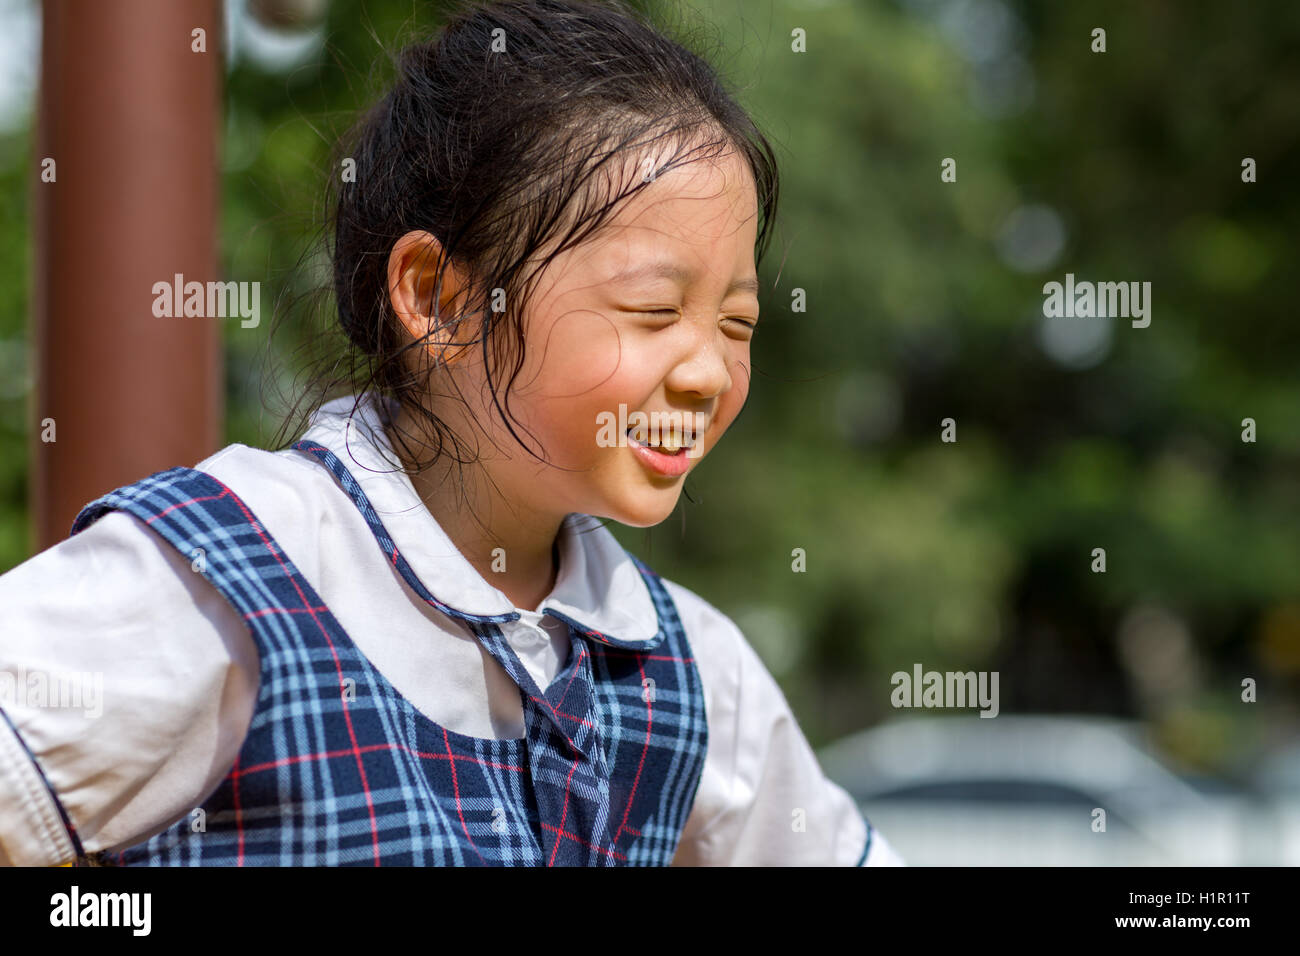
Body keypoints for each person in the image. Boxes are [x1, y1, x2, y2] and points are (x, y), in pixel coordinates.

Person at [0, 0, 903, 867]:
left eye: (737, 326)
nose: (706, 370)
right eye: (653, 308)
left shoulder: (693, 673)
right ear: (437, 297)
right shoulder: (225, 577)